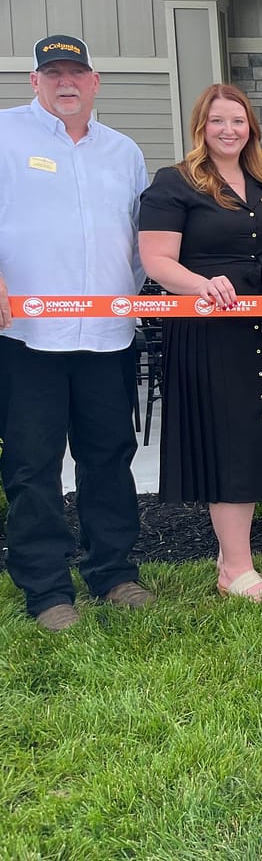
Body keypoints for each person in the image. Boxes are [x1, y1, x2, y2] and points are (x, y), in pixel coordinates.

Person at [0, 34, 154, 631]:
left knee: (109, 456)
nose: (66, 82)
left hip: (108, 336)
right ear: (34, 83)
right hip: (27, 339)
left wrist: (130, 298)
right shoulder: (6, 134)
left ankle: (113, 572)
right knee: (33, 463)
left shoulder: (123, 151)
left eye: (76, 73)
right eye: (53, 73)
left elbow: (138, 238)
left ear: (95, 83)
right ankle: (45, 589)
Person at [139, 84, 262, 603]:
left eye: (237, 120)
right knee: (229, 440)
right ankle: (236, 567)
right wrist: (199, 286)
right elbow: (157, 260)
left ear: (250, 127)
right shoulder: (175, 182)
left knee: (252, 437)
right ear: (200, 128)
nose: (228, 130)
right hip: (210, 326)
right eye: (216, 121)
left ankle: (232, 559)